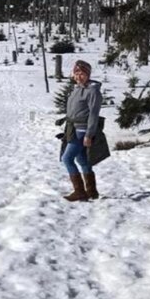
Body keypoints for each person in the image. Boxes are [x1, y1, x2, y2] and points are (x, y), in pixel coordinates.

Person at [60, 59, 102, 201]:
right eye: (76, 73)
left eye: (82, 73)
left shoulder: (93, 91)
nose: (79, 76)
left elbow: (94, 114)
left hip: (82, 131)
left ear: (88, 75)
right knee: (82, 160)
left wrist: (89, 135)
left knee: (67, 159)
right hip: (74, 128)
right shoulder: (77, 89)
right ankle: (92, 191)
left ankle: (79, 192)